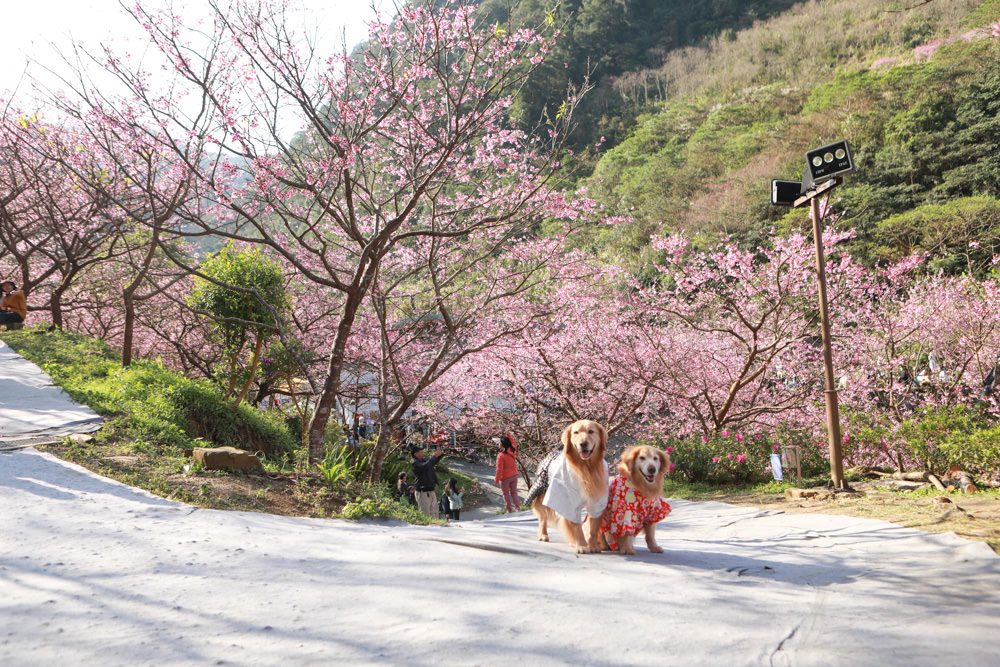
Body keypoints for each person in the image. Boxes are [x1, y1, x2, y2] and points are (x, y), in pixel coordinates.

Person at [410, 443, 445, 518]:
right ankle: (426, 528)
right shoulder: (415, 463)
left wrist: (439, 455)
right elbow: (426, 465)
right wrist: (434, 456)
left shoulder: (424, 459)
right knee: (425, 512)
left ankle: (436, 526)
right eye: (420, 451)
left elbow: (432, 462)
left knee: (434, 510)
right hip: (422, 490)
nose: (422, 452)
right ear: (415, 454)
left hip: (430, 488)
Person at [494, 434, 521, 512]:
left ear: (502, 445)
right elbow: (513, 442)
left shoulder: (500, 456)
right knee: (514, 493)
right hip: (514, 475)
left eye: (499, 443)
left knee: (506, 494)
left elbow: (499, 470)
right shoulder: (513, 450)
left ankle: (509, 510)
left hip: (505, 478)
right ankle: (518, 508)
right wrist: (508, 434)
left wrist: (496, 480)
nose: (498, 444)